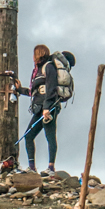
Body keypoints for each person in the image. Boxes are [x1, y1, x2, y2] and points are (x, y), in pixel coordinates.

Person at [17, 45, 71, 175]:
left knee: (50, 136)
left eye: (34, 54)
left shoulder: (49, 67)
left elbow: (51, 88)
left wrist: (47, 108)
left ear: (38, 54)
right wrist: (20, 90)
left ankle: (51, 168)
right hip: (39, 108)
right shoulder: (38, 70)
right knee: (29, 136)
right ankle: (32, 167)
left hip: (49, 108)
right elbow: (36, 91)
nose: (33, 57)